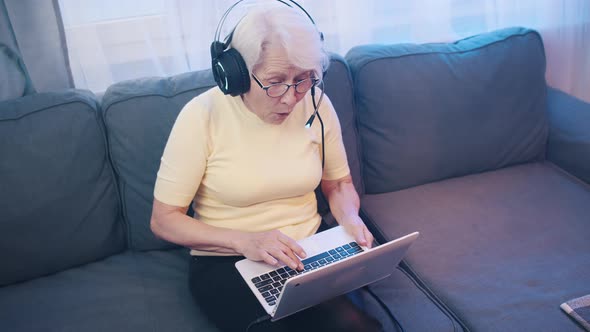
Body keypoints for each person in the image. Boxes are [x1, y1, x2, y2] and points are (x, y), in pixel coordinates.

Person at [150, 2, 382, 331]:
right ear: (238, 74)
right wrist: (246, 241)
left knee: (358, 326)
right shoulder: (201, 117)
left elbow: (339, 185)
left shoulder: (316, 104)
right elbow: (164, 221)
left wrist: (350, 220)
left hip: (309, 249)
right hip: (229, 261)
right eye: (275, 82)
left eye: (303, 80)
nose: (291, 98)